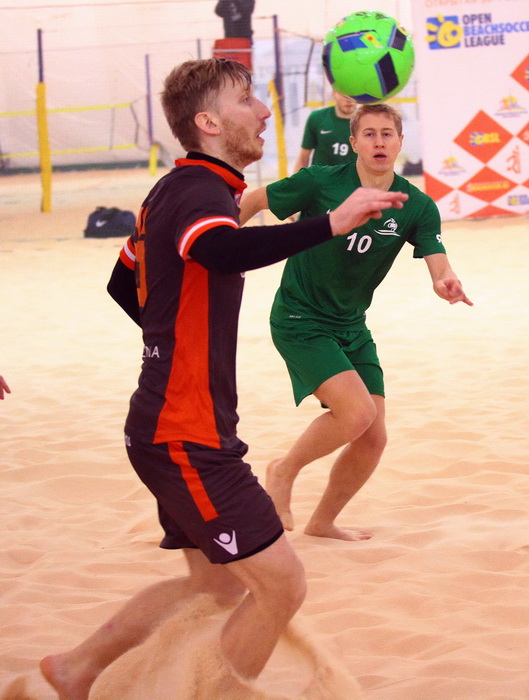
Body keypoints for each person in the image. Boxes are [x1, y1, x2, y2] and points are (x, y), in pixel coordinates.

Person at [39, 59, 408, 698]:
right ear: (209, 122)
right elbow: (218, 250)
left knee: (214, 589)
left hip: (171, 421)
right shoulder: (202, 192)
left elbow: (124, 282)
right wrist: (330, 223)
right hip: (185, 434)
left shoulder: (173, 188)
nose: (264, 111)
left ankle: (77, 669)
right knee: (283, 585)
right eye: (246, 100)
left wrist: (178, 341)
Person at [240, 102, 473, 542]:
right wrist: (220, 248)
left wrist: (446, 280)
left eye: (387, 133)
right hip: (299, 317)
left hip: (351, 325)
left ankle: (322, 523)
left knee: (373, 437)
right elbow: (254, 200)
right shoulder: (321, 181)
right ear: (353, 143)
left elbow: (438, 261)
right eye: (369, 134)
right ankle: (283, 470)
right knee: (356, 413)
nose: (379, 141)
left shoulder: (417, 205)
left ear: (400, 143)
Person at [293, 90, 358, 173]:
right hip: (320, 179)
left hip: (351, 179)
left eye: (353, 93)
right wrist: (296, 180)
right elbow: (303, 157)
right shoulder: (317, 118)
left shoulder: (366, 122)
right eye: (343, 93)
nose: (348, 99)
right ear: (333, 93)